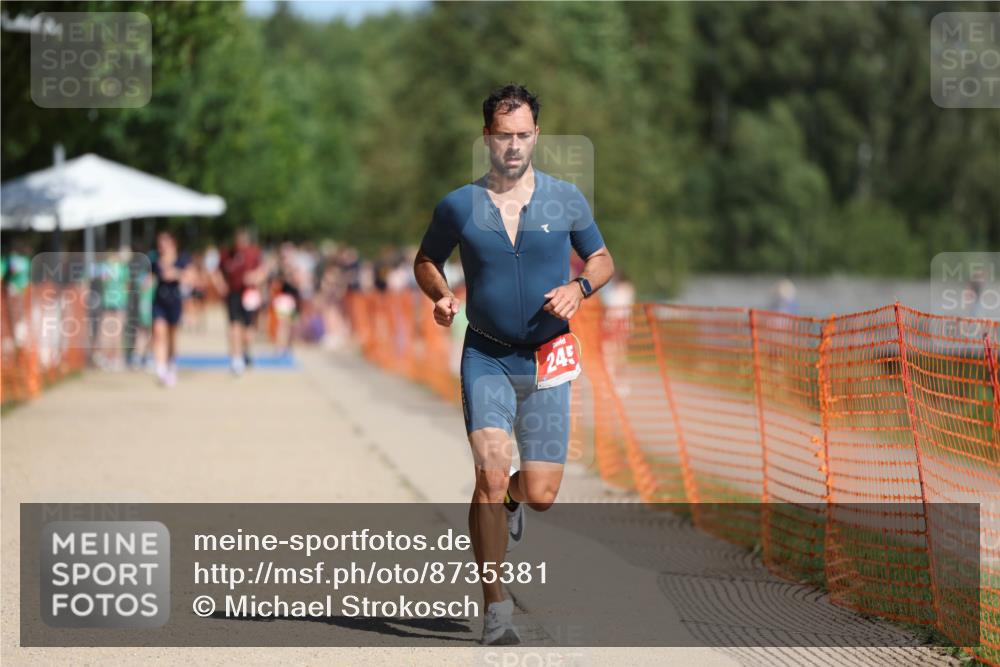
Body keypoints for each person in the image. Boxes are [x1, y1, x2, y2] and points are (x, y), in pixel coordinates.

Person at [413, 84, 614, 645]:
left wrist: (579, 288)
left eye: (524, 135)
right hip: (487, 355)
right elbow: (426, 259)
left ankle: (512, 499)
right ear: (487, 138)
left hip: (549, 359)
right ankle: (496, 608)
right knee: (490, 472)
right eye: (504, 136)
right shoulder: (458, 205)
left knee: (542, 493)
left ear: (537, 137)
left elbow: (601, 259)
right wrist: (441, 294)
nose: (515, 146)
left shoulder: (566, 198)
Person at [214, 228, 265, 376]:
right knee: (234, 326)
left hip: (249, 294)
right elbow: (217, 271)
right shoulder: (227, 254)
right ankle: (236, 359)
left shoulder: (253, 253)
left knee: (248, 331)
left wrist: (255, 277)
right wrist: (221, 285)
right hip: (233, 294)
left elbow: (263, 271)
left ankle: (245, 352)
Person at [149, 231, 192, 387]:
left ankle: (171, 364)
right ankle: (160, 368)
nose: (162, 246)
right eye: (160, 243)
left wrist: (177, 274)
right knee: (159, 334)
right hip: (159, 302)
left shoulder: (182, 259)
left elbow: (191, 277)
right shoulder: (155, 261)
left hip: (175, 302)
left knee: (172, 336)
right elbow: (149, 278)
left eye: (165, 243)